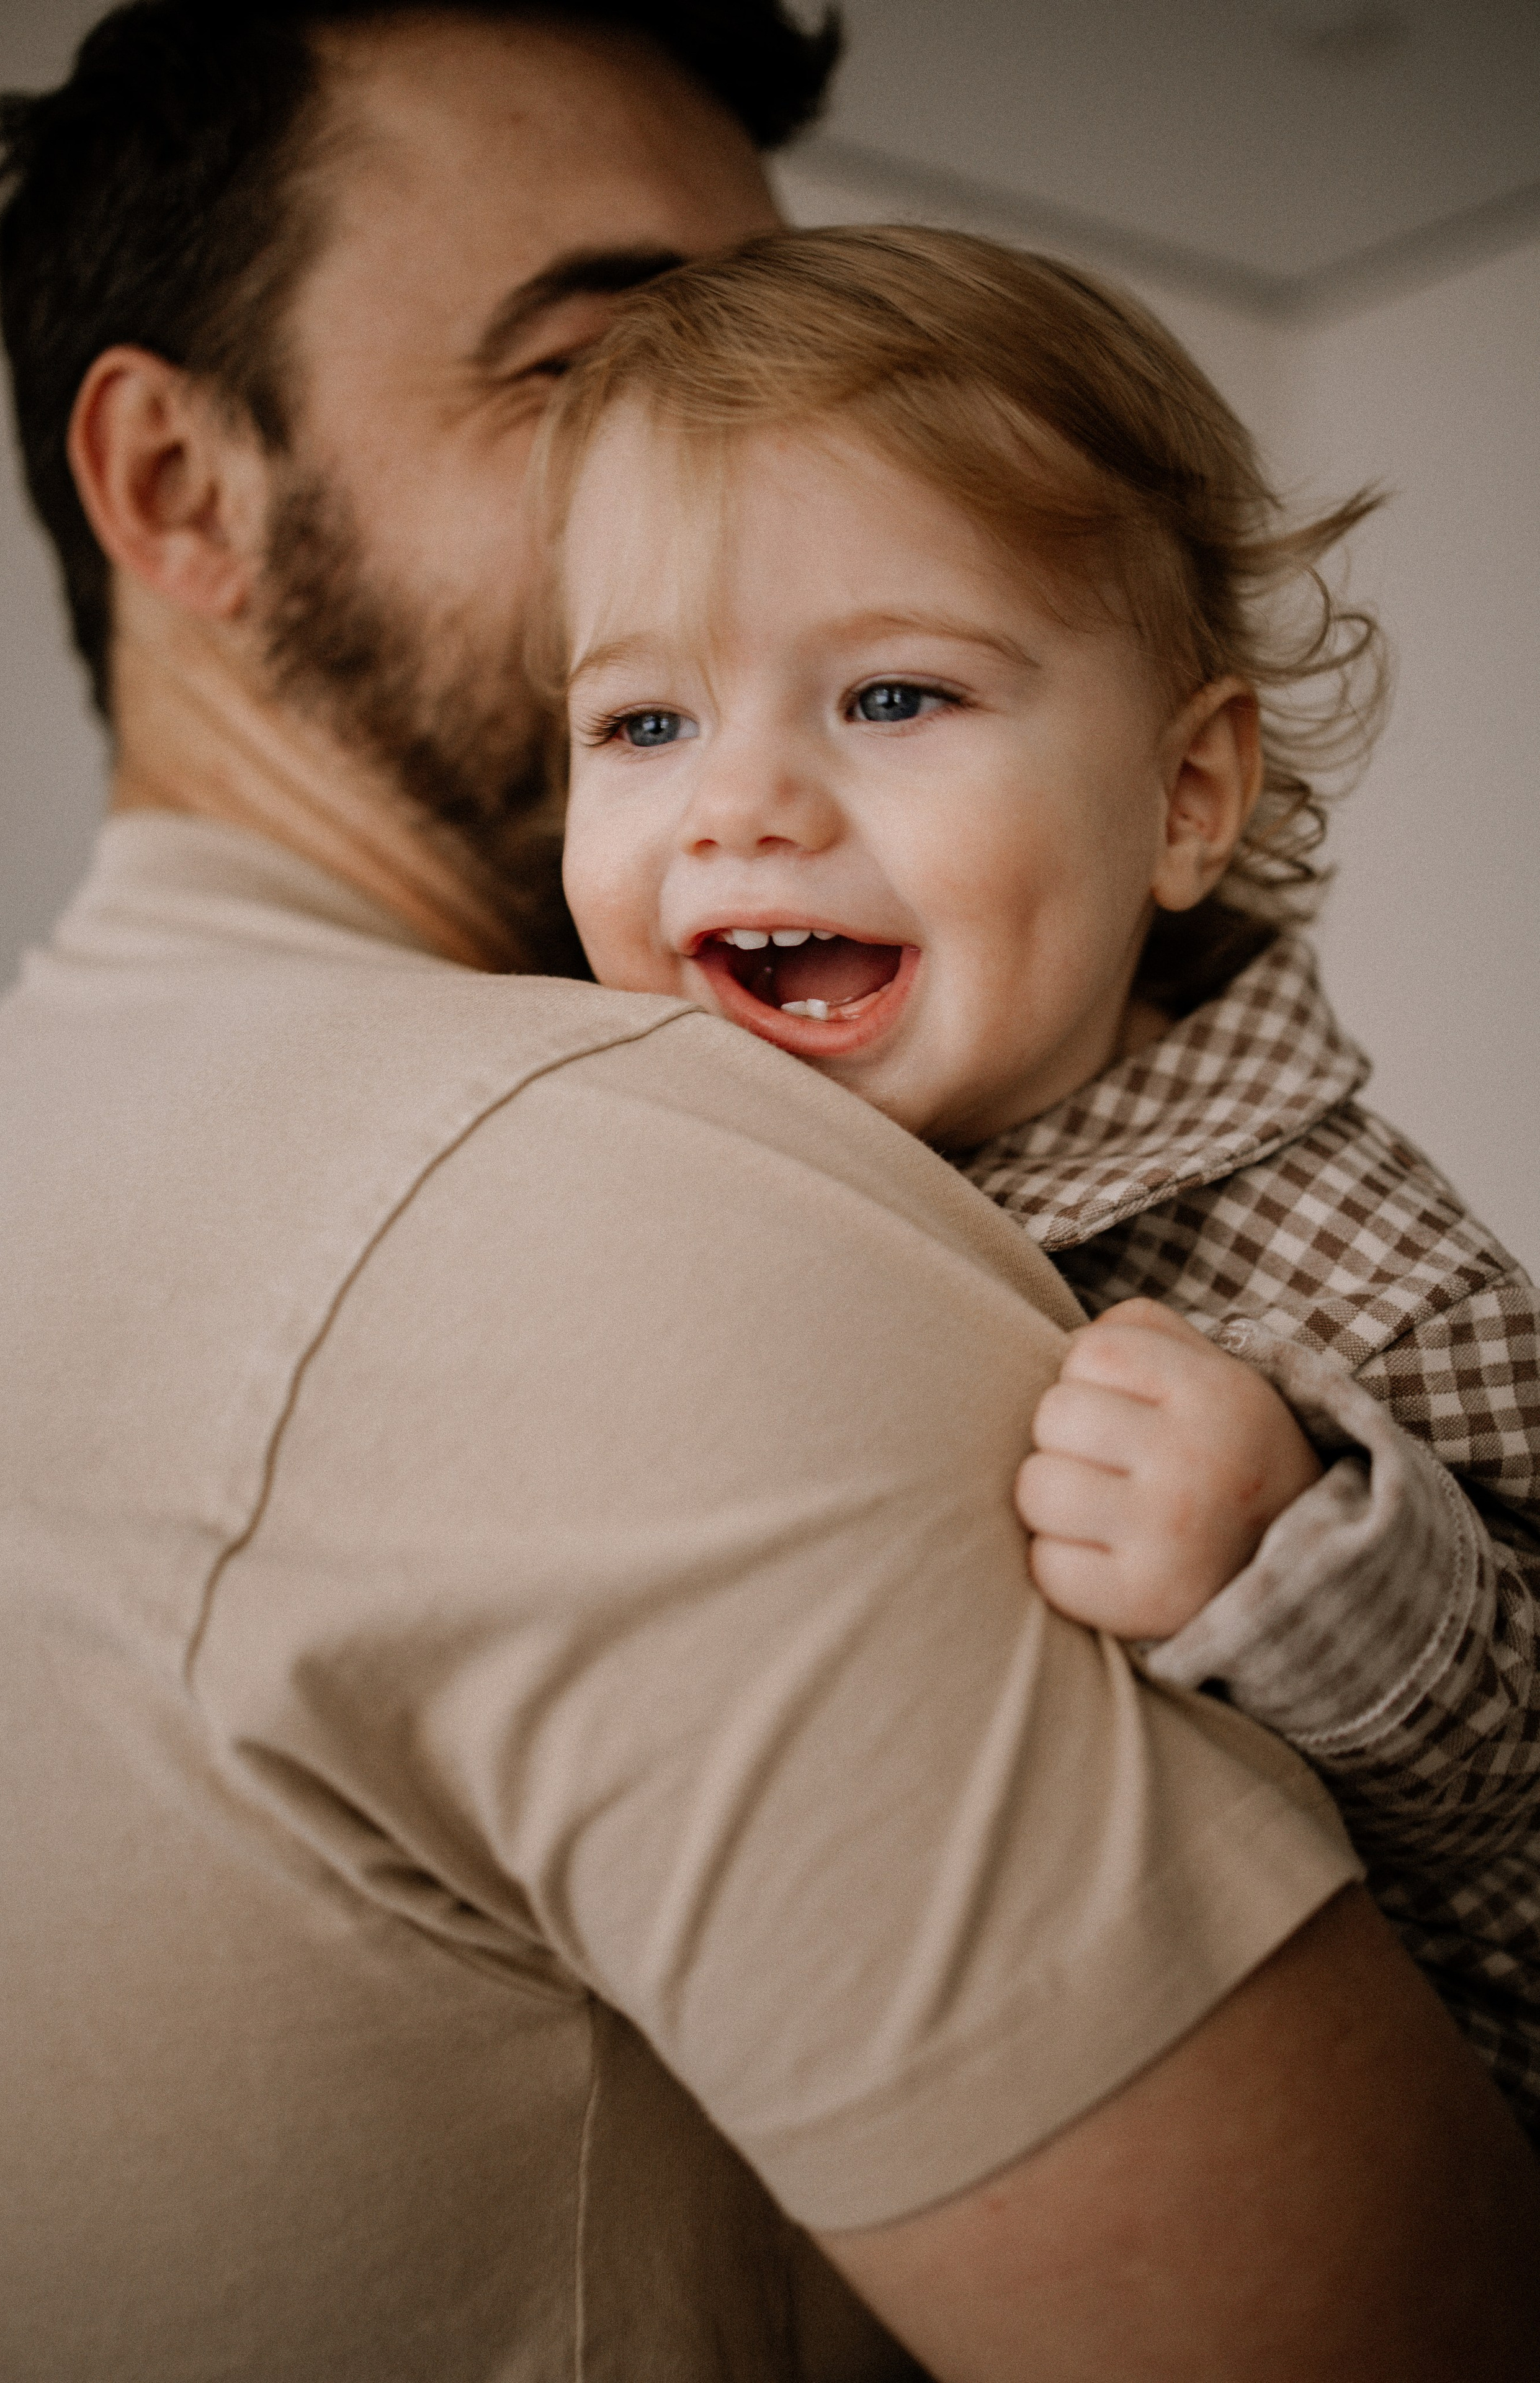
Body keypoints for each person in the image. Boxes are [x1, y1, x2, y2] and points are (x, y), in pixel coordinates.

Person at [0, 9, 1537, 2381]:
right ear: (179, 480)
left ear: (1191, 784)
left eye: (895, 683)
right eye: (602, 358)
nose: (769, 444)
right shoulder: (611, 1176)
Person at [542, 223, 1540, 2146]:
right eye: (644, 723)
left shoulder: (1365, 1272)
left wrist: (1299, 1546)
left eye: (895, 699)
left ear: (1184, 800)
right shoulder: (668, 1170)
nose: (739, 804)